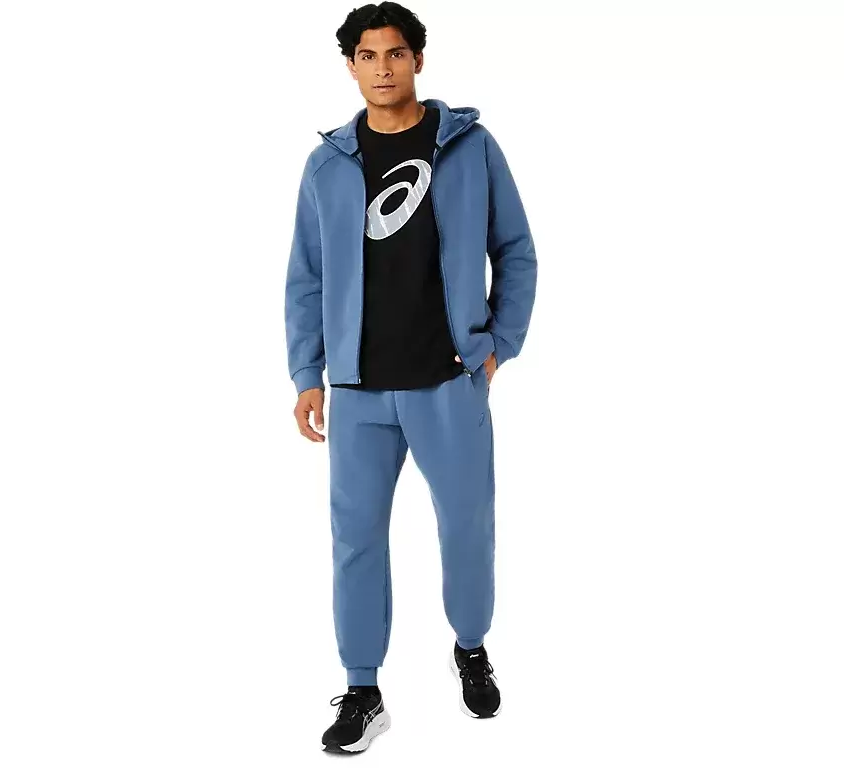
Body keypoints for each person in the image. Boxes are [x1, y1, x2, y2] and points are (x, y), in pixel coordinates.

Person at [283, 2, 537, 754]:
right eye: (367, 56)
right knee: (355, 540)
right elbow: (305, 277)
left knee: (467, 528)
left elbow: (515, 250)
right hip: (358, 391)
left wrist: (499, 344)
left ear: (418, 60)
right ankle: (363, 689)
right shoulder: (328, 165)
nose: (383, 68)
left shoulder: (470, 146)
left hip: (448, 380)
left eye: (395, 53)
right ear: (351, 66)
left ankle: (471, 647)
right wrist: (306, 372)